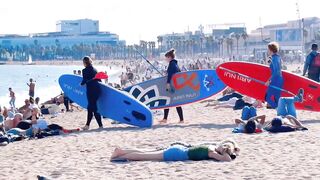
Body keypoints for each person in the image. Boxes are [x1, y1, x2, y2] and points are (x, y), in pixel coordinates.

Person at [110, 139, 240, 162]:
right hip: (177, 154)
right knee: (145, 156)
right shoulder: (211, 153)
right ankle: (119, 152)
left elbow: (227, 145)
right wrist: (227, 153)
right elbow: (226, 159)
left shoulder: (211, 146)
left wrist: (230, 148)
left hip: (179, 149)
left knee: (146, 151)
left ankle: (121, 150)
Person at [159, 49, 184, 123]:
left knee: (168, 102)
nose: (165, 59)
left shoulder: (172, 64)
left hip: (172, 85)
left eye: (166, 57)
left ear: (169, 57)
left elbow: (170, 74)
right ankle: (179, 119)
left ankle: (166, 119)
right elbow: (178, 73)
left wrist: (168, 83)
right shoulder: (175, 64)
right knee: (174, 102)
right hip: (176, 85)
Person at [81, 56, 103, 130]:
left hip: (91, 91)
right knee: (90, 107)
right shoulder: (95, 69)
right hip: (97, 90)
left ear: (84, 63)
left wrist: (81, 84)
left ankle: (100, 125)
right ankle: (87, 125)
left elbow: (83, 81)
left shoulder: (84, 70)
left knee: (93, 107)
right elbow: (99, 80)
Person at [265, 42, 284, 108]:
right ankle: (279, 110)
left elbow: (275, 72)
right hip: (279, 79)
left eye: (268, 49)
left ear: (270, 49)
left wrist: (269, 80)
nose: (267, 51)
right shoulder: (278, 57)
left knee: (267, 97)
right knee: (277, 98)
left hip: (275, 80)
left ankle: (276, 107)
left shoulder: (274, 58)